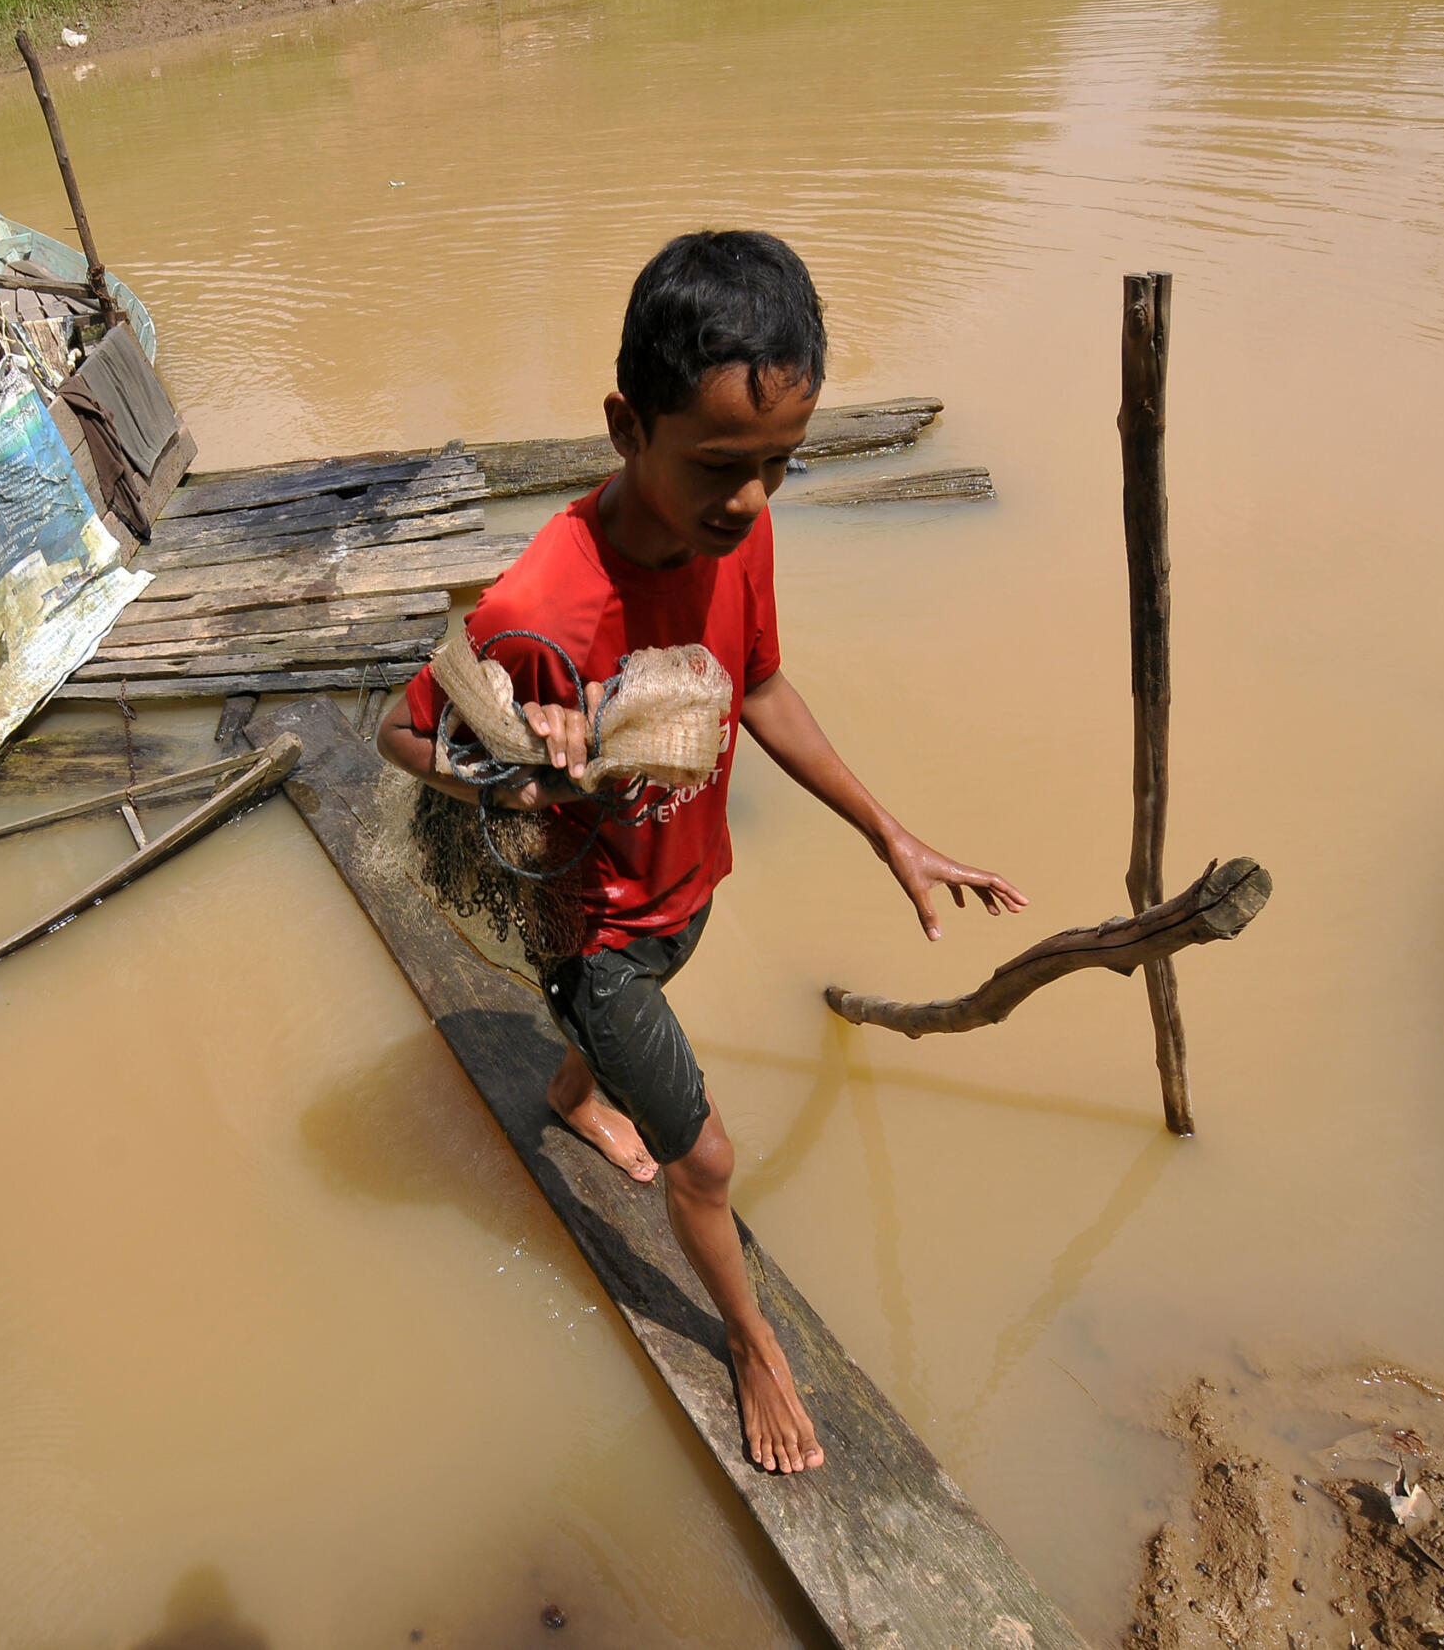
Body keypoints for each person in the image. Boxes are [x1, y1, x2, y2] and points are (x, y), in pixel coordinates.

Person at [375, 230, 1028, 1474]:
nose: (752, 499)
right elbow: (401, 734)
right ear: (627, 428)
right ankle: (750, 1341)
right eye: (722, 466)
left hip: (687, 879)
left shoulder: (736, 530)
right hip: (594, 928)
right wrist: (515, 762)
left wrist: (890, 835)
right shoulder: (539, 605)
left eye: (780, 463)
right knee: (707, 1160)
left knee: (646, 1017)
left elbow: (762, 686)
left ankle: (574, 1097)